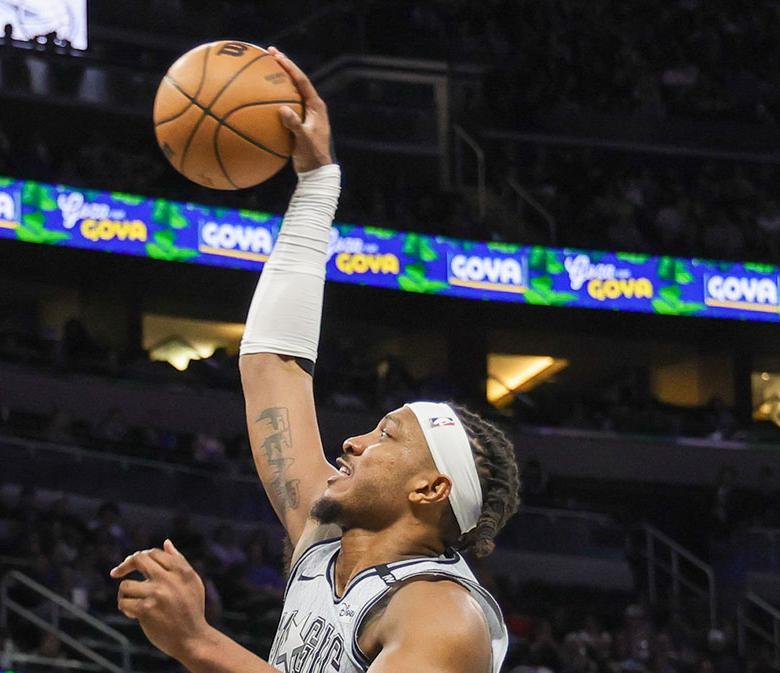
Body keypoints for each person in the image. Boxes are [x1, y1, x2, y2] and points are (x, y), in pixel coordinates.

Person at [110, 48, 520, 673]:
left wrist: (198, 642)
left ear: (431, 488)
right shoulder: (326, 541)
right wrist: (317, 184)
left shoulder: (442, 614)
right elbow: (272, 363)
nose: (352, 442)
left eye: (387, 436)